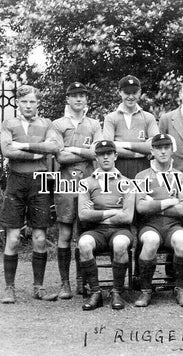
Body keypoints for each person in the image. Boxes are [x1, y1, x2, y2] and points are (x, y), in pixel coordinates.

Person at [0, 85, 61, 304]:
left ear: (38, 103)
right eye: (24, 102)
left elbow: (54, 146)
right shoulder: (9, 123)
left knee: (40, 237)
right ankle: (9, 288)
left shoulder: (47, 124)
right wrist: (37, 151)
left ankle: (39, 287)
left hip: (40, 180)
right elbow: (7, 151)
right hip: (16, 181)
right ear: (18, 103)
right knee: (14, 238)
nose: (28, 105)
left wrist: (24, 147)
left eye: (32, 102)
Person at [52, 82, 104, 299]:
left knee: (84, 233)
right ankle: (65, 283)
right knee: (65, 234)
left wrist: (73, 149)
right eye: (74, 96)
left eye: (82, 95)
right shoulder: (57, 124)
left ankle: (82, 280)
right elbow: (60, 156)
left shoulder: (94, 124)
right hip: (66, 185)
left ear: (86, 99)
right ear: (68, 99)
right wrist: (85, 151)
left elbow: (98, 152)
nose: (79, 99)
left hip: (88, 185)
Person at [134, 134, 183, 307]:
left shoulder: (180, 176)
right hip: (150, 225)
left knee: (182, 241)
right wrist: (169, 201)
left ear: (172, 150)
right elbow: (141, 207)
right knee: (150, 241)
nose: (163, 151)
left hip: (173, 226)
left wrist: (154, 203)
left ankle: (180, 288)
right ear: (152, 151)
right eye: (159, 148)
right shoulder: (141, 176)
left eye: (167, 147)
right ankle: (146, 290)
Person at [77, 140, 135, 311]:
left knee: (120, 244)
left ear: (116, 156)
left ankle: (117, 292)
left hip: (120, 231)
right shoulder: (86, 183)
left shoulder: (127, 182)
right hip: (96, 231)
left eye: (109, 153)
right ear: (96, 157)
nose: (105, 157)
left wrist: (97, 214)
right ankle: (96, 293)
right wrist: (112, 212)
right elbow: (83, 215)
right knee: (84, 244)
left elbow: (128, 217)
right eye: (101, 154)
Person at [103, 75, 159, 179]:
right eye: (127, 93)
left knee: (141, 195)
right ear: (120, 92)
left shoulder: (148, 117)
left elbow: (154, 146)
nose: (131, 97)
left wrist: (121, 145)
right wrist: (139, 152)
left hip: (143, 168)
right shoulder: (110, 118)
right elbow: (108, 148)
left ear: (139, 92)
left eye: (134, 92)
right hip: (118, 168)